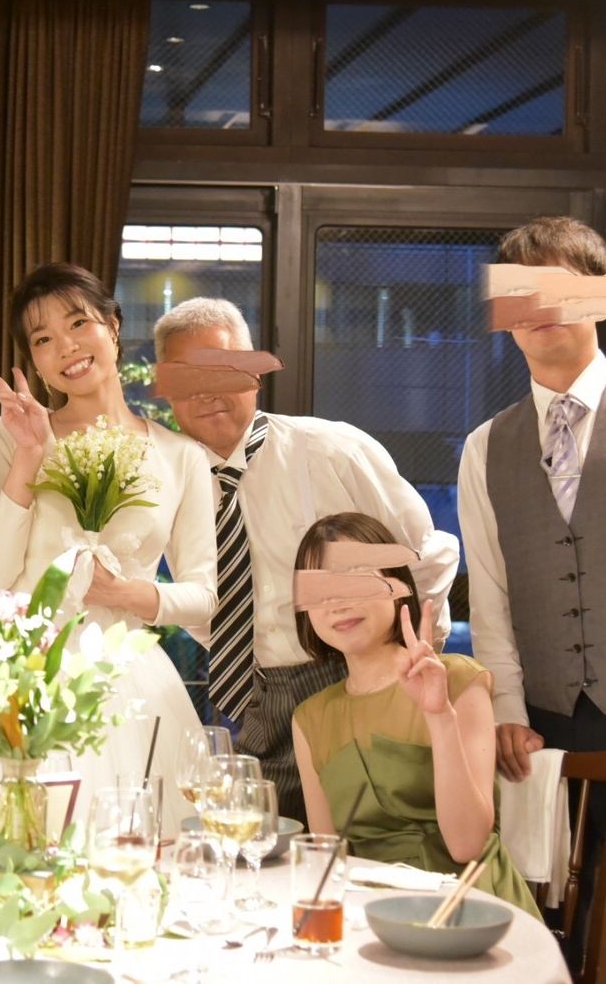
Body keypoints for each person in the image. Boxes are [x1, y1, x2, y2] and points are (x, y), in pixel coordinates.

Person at [0, 262, 216, 835]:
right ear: (33, 361)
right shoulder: (8, 436)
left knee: (131, 852)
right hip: (17, 671)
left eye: (79, 324)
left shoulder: (182, 457)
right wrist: (30, 456)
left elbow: (203, 596)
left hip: (126, 678)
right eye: (43, 339)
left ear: (113, 326)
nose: (66, 347)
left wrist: (128, 594)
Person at [154, 298, 458, 823]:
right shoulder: (168, 486)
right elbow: (199, 606)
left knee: (372, 841)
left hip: (356, 676)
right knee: (263, 845)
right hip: (258, 698)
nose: (206, 392)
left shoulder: (331, 450)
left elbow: (423, 556)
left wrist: (406, 657)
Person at [457, 215, 606, 960]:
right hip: (545, 728)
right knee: (554, 928)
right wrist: (505, 710)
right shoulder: (483, 446)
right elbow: (490, 596)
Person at [290, 512, 538, 916]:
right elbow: (327, 862)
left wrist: (439, 716)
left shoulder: (459, 679)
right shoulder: (310, 718)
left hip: (469, 905)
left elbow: (466, 845)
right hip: (370, 914)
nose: (339, 603)